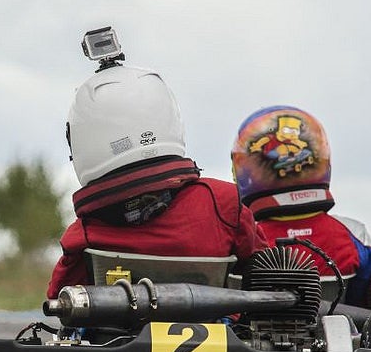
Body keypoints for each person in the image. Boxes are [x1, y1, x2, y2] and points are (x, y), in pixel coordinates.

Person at [47, 62, 263, 298]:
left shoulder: (85, 233)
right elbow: (264, 269)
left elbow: (59, 296)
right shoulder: (223, 202)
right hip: (220, 332)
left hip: (121, 334)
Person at [231, 105, 371, 305]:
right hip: (338, 331)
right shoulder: (355, 235)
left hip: (254, 333)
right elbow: (362, 304)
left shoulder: (245, 237)